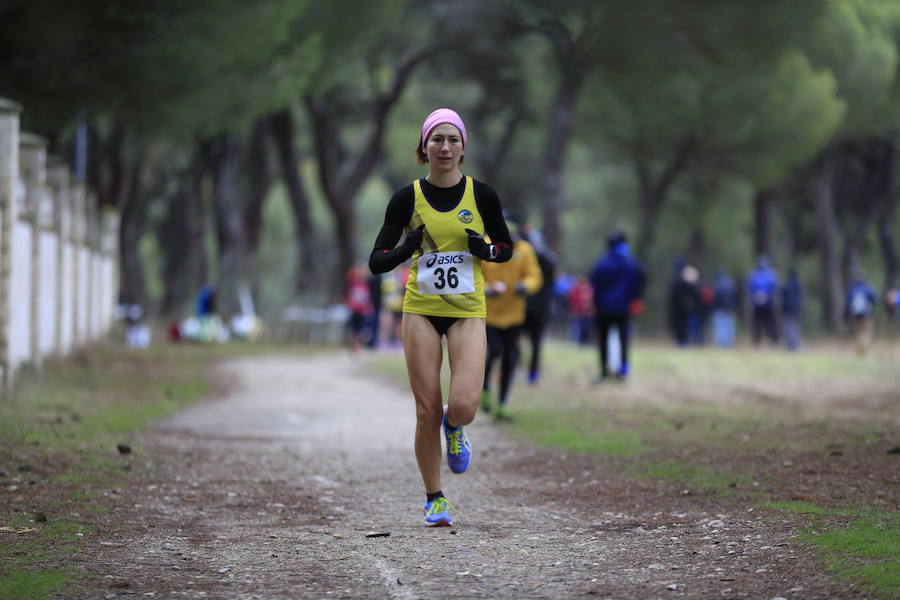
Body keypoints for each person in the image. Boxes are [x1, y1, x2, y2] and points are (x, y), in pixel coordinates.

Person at [368, 108, 512, 527]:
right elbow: (376, 261)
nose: (445, 147)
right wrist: (404, 248)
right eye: (437, 140)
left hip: (467, 311)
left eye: (453, 140)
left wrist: (485, 251)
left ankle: (456, 425)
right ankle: (435, 498)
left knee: (464, 404)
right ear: (424, 148)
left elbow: (507, 247)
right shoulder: (405, 198)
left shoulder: (482, 195)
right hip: (421, 311)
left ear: (463, 148)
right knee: (425, 408)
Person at [480, 210, 542, 419]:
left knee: (510, 357)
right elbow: (474, 275)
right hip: (489, 314)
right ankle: (485, 388)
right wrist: (487, 289)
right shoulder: (486, 246)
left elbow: (535, 276)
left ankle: (503, 403)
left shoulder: (525, 250)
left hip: (514, 314)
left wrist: (524, 286)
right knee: (494, 350)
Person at [589, 231, 645, 382]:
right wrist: (635, 299)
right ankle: (623, 371)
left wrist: (595, 302)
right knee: (623, 339)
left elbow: (594, 284)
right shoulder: (631, 263)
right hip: (623, 308)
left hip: (603, 308)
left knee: (603, 340)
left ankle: (603, 371)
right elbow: (639, 282)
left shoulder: (602, 263)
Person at [521, 224, 556, 385]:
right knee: (535, 343)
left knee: (518, 340)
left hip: (526, 305)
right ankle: (532, 373)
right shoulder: (549, 258)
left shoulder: (524, 256)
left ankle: (526, 371)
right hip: (538, 306)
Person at [748, 255, 779, 345]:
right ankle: (767, 341)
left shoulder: (759, 275)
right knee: (762, 324)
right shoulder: (770, 275)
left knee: (766, 324)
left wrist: (761, 297)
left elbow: (773, 289)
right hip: (763, 305)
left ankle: (770, 341)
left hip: (765, 305)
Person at [844, 274, 877, 355]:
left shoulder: (852, 289)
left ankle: (859, 351)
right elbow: (874, 298)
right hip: (866, 314)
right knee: (866, 333)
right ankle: (863, 351)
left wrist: (846, 315)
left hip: (856, 315)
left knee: (858, 333)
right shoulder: (867, 287)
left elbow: (847, 302)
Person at [345, 265, 374, 354]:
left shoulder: (365, 285)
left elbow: (367, 297)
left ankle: (358, 347)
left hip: (361, 311)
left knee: (360, 330)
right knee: (354, 330)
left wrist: (368, 307)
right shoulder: (353, 283)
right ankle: (354, 347)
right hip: (354, 310)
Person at [711, 269, 737, 348]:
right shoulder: (731, 284)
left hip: (719, 309)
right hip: (729, 309)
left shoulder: (717, 285)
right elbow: (735, 297)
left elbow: (714, 298)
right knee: (728, 327)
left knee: (720, 328)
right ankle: (728, 344)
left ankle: (721, 344)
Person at [568, 276, 594, 344]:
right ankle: (575, 340)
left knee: (585, 326)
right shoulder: (576, 289)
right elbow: (573, 299)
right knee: (577, 326)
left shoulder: (588, 289)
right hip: (577, 311)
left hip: (586, 312)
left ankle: (584, 340)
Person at [782, 268, 803, 351]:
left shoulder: (787, 285)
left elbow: (783, 295)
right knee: (795, 327)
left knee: (789, 328)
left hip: (788, 310)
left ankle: (791, 346)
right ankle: (795, 345)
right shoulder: (799, 285)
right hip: (796, 309)